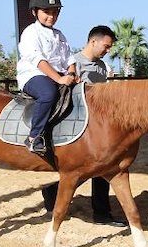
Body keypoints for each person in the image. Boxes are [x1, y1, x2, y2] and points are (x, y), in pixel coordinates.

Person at [41, 25, 127, 227]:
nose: (108, 50)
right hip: (77, 123)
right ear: (93, 41)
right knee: (91, 168)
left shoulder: (102, 67)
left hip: (98, 125)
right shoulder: (73, 63)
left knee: (100, 165)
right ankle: (98, 211)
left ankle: (98, 210)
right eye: (106, 46)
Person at [16, 0, 77, 155]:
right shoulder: (30, 32)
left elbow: (70, 59)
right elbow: (38, 60)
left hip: (58, 76)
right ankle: (34, 137)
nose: (51, 16)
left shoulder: (60, 35)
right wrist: (59, 78)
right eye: (46, 12)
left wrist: (71, 74)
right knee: (48, 93)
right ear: (35, 12)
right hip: (34, 75)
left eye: (55, 12)